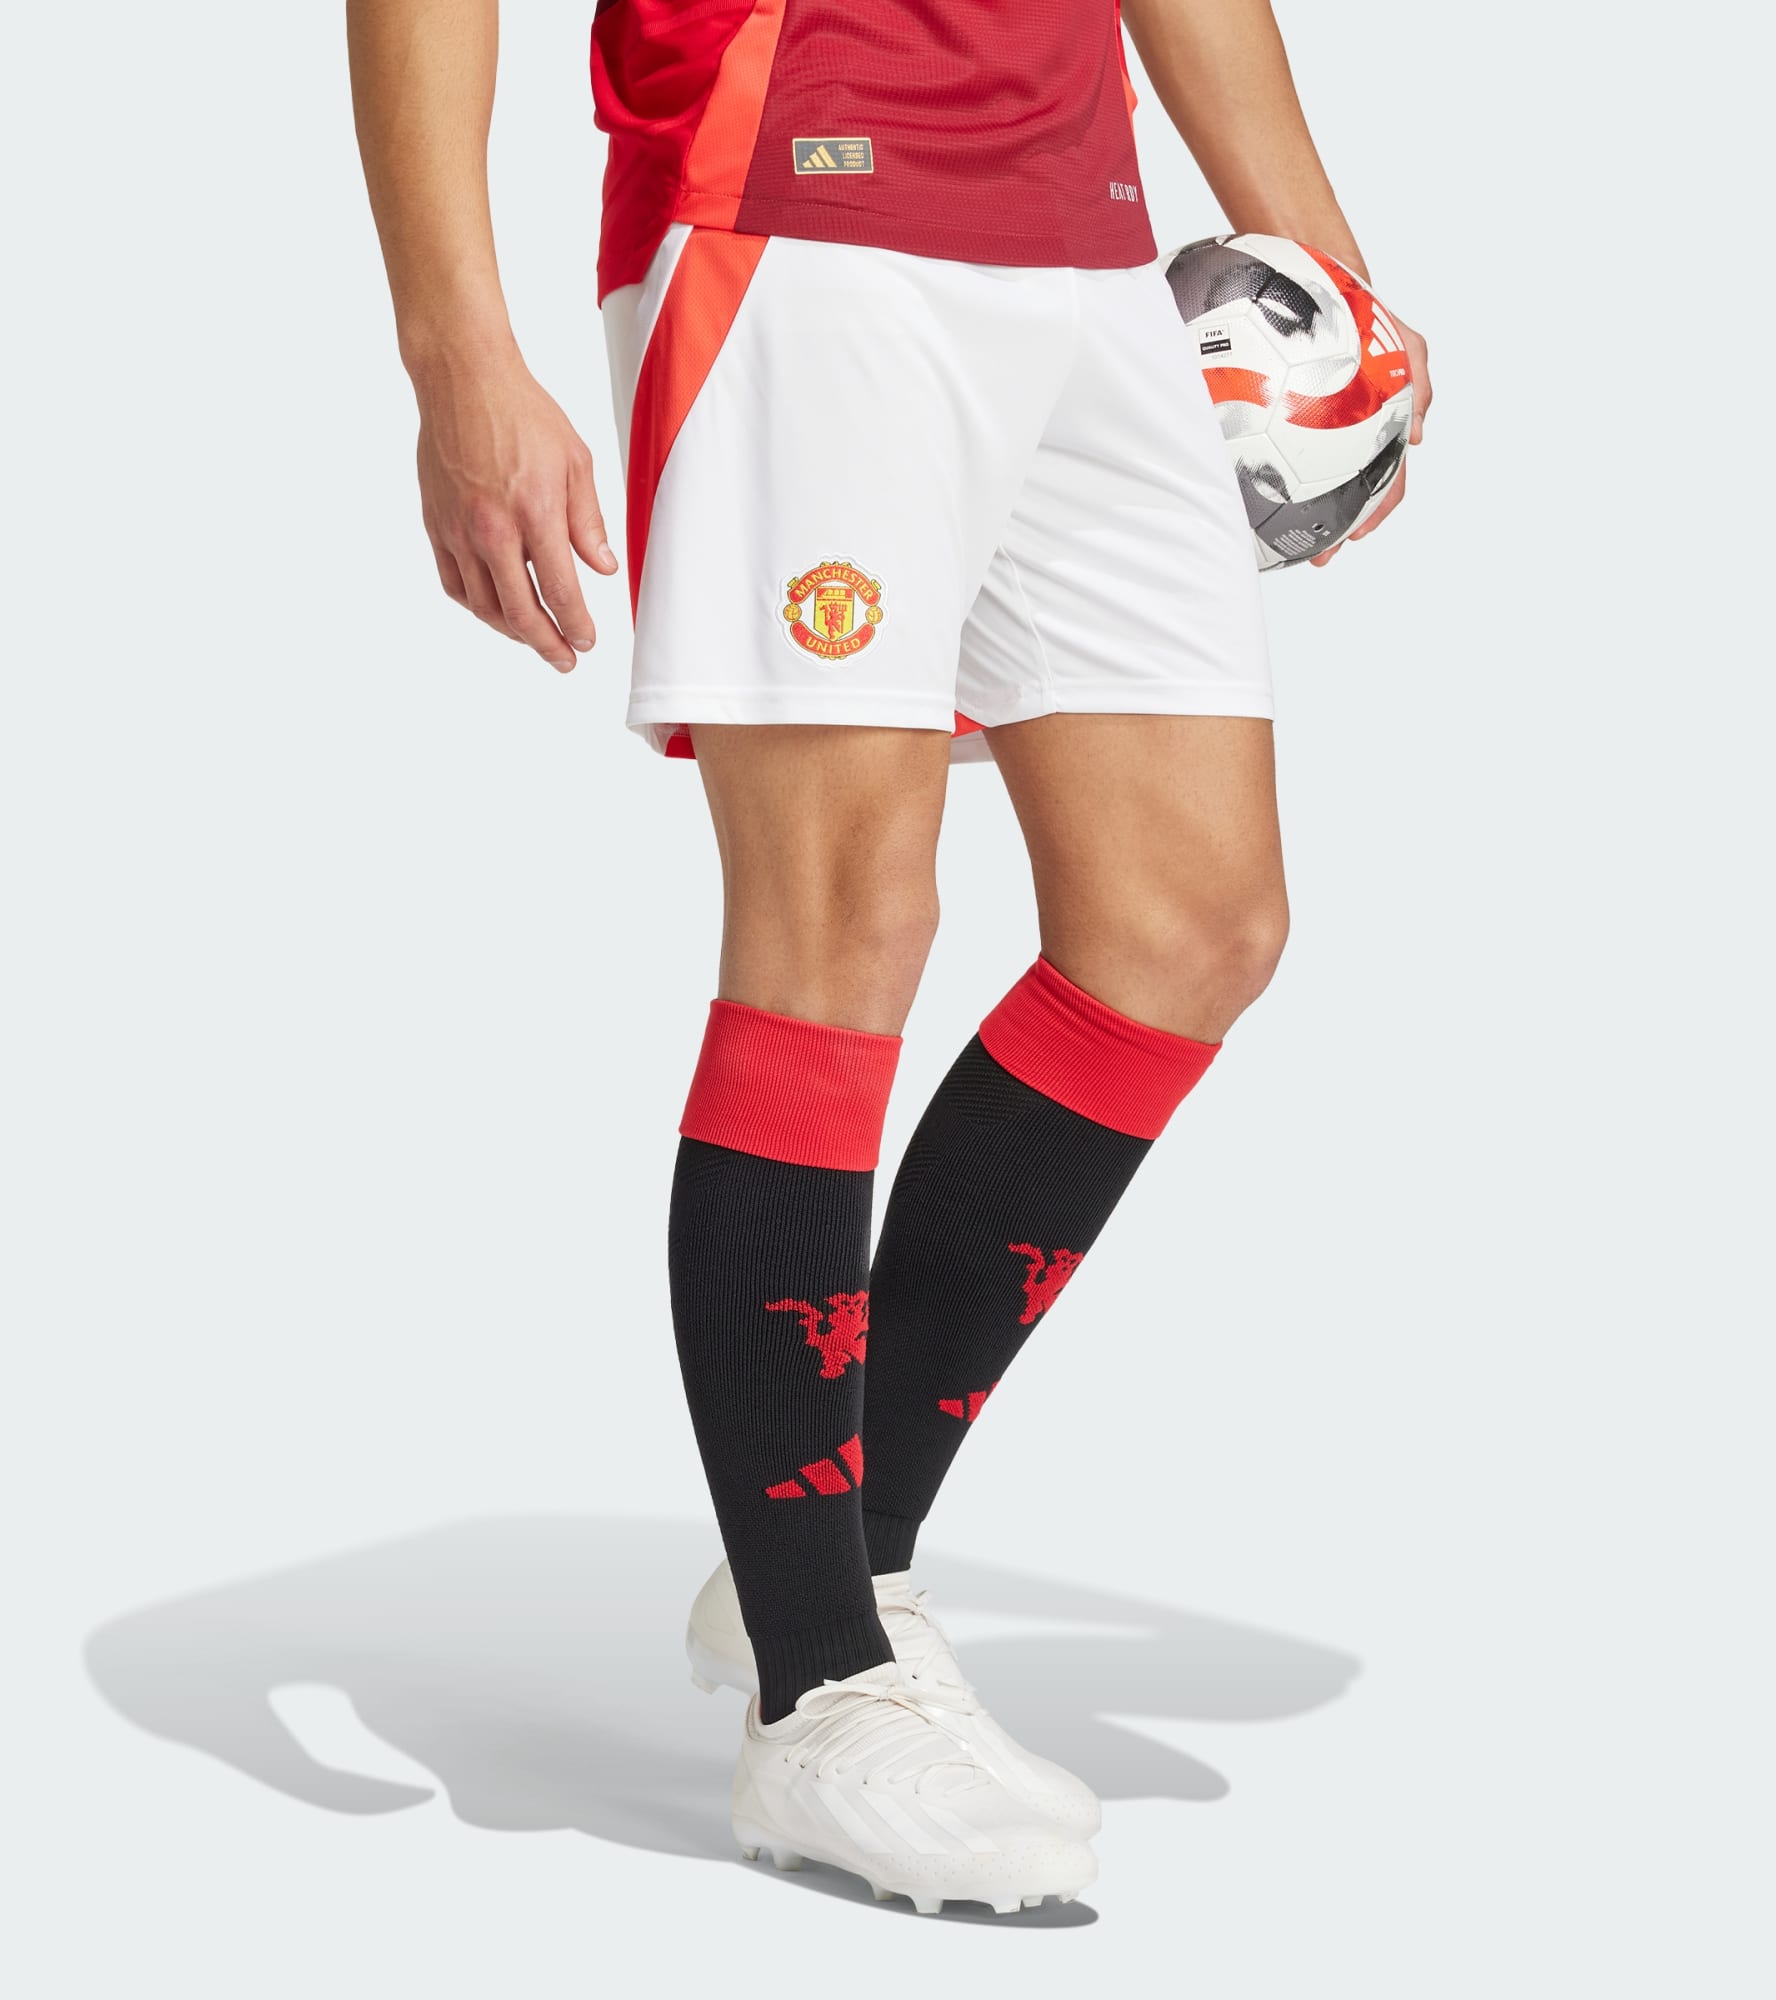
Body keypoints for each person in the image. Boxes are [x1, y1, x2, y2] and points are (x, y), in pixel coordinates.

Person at [347, 0, 1432, 1915]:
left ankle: (842, 1546)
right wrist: (459, 353)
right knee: (843, 918)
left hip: (1086, 241)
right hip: (794, 209)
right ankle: (819, 1685)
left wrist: (1328, 288)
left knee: (1190, 923)